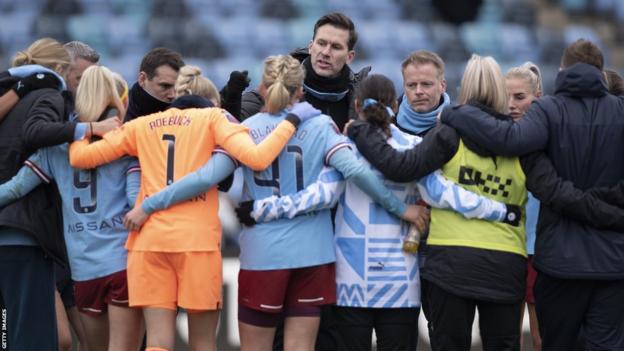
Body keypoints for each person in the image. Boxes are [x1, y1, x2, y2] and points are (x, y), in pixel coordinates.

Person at [121, 56, 426, 351]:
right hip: (312, 253)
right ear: (301, 90)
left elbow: (207, 177)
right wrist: (402, 209)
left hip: (262, 253)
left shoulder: (246, 129)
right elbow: (356, 171)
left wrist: (149, 204)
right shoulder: (321, 125)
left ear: (263, 89)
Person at [67, 63, 323, 350]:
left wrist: (84, 128)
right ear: (209, 99)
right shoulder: (214, 119)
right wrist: (292, 121)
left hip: (149, 243)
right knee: (202, 342)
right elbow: (258, 157)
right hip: (196, 244)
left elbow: (80, 158)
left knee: (158, 341)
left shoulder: (141, 126)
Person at [440, 39, 624, 350]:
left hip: (559, 264)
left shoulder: (548, 109)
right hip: (615, 262)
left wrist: (453, 114)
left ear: (562, 70)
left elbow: (509, 140)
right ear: (600, 72)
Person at [0, 65, 144, 351]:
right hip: (122, 263)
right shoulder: (128, 141)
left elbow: (14, 188)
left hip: (83, 270)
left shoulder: (56, 148)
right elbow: (133, 200)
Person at [242, 12, 367, 133]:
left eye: (336, 47)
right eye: (321, 43)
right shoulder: (281, 83)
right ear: (311, 47)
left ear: (349, 57)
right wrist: (232, 99)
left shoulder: (359, 99)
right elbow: (234, 120)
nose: (325, 52)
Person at [505, 62, 543, 351]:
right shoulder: (496, 138)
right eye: (506, 98)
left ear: (537, 97)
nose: (511, 106)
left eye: (520, 98)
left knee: (542, 337)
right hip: (504, 247)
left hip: (539, 249)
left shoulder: (551, 139)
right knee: (506, 337)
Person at [396, 50, 451, 137]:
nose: (418, 91)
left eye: (426, 84)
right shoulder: (385, 122)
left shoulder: (458, 126)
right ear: (404, 87)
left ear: (442, 86)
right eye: (411, 85)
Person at [124, 47, 185, 122]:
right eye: (165, 86)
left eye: (178, 87)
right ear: (142, 79)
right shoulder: (116, 115)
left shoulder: (188, 115)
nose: (173, 95)